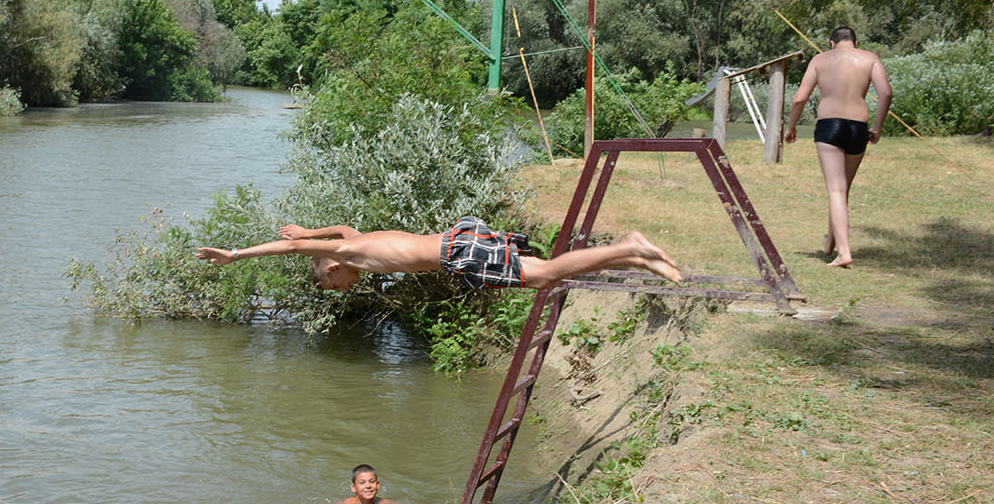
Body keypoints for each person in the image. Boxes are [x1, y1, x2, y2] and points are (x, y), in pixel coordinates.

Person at [194, 219, 681, 292]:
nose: (338, 290)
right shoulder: (356, 241)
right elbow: (339, 227)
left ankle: (629, 248)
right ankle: (637, 260)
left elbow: (296, 247)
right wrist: (312, 227)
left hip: (458, 251)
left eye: (329, 284)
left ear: (335, 267)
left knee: (543, 276)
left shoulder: (354, 254)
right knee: (541, 276)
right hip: (460, 239)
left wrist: (236, 255)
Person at [783, 26, 893, 268]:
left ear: (831, 42)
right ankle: (830, 244)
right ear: (855, 42)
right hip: (858, 128)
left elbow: (799, 98)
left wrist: (791, 127)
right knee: (843, 190)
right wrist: (877, 127)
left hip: (829, 126)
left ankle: (844, 252)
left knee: (836, 190)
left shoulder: (820, 59)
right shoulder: (870, 58)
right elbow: (885, 93)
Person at [331, 464, 451, 504]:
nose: (368, 486)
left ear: (378, 485)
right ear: (353, 488)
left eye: (371, 482)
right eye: (362, 483)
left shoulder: (382, 503)